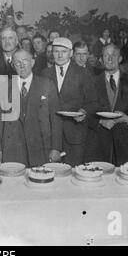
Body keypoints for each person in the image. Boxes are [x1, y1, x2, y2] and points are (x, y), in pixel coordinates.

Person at [41, 37, 98, 166]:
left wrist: (84, 112)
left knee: (74, 172)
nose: (60, 55)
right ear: (51, 53)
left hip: (75, 135)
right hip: (50, 136)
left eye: (64, 51)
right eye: (56, 51)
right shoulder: (44, 74)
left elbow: (94, 101)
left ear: (71, 53)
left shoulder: (83, 73)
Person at [1, 49, 62, 166]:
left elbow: (56, 119)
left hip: (40, 147)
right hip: (14, 150)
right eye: (17, 62)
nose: (22, 65)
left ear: (32, 62)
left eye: (25, 61)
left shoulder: (47, 84)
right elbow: (0, 121)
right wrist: (0, 149)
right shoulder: (5, 87)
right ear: (13, 65)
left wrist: (56, 147)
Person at [86, 44, 128, 165]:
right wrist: (100, 122)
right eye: (106, 55)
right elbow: (86, 112)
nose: (110, 59)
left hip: (125, 144)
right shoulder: (92, 82)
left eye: (113, 55)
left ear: (120, 58)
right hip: (99, 144)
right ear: (101, 59)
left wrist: (127, 119)